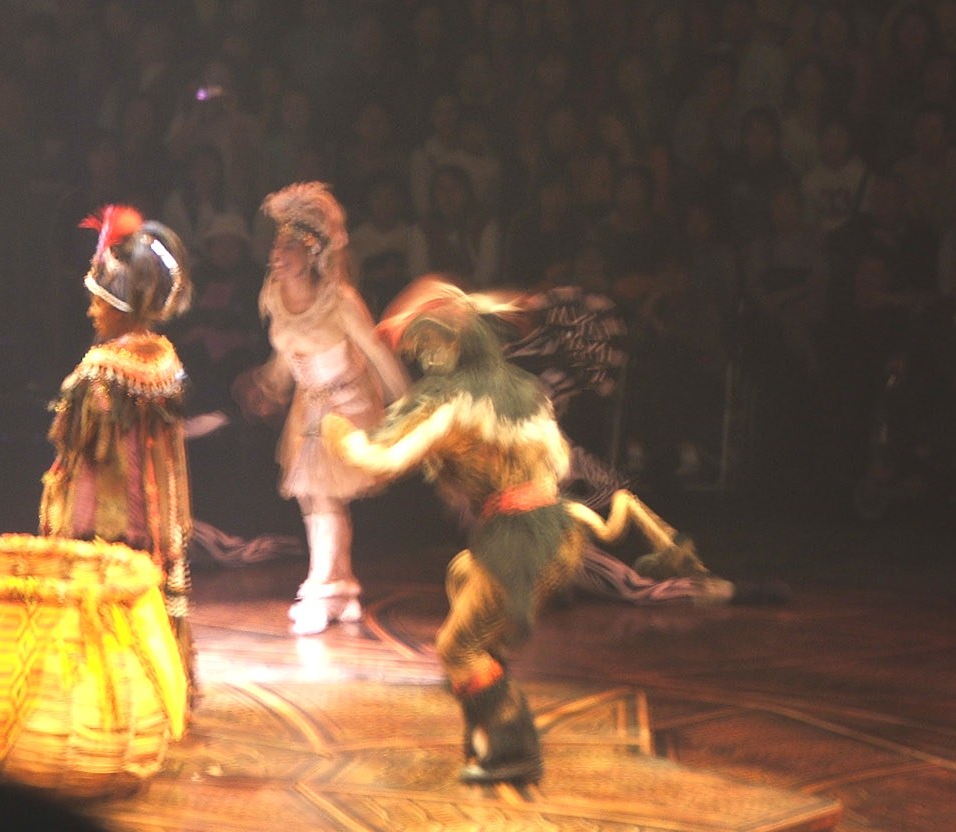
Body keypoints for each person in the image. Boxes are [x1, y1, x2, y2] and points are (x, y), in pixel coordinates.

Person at [320, 281, 749, 786]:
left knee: (459, 648)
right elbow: (559, 461)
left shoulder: (452, 401)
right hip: (553, 529)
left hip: (521, 537)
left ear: (450, 346)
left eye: (428, 346)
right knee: (463, 577)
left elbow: (381, 459)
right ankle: (485, 707)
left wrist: (337, 432)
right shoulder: (524, 392)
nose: (424, 358)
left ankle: (510, 746)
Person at [234, 183, 408, 636]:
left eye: (288, 248)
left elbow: (377, 353)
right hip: (307, 407)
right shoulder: (275, 295)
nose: (277, 255)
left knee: (325, 494)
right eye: (275, 247)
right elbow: (285, 354)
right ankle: (342, 589)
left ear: (311, 253)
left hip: (348, 403)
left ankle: (323, 590)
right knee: (311, 496)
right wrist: (268, 386)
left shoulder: (339, 300)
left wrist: (409, 406)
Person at [39, 206, 196, 679]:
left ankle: (99, 679)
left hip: (108, 520)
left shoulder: (99, 369)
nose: (90, 310)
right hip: (157, 521)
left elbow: (75, 447)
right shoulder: (166, 360)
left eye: (98, 301)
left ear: (121, 306)